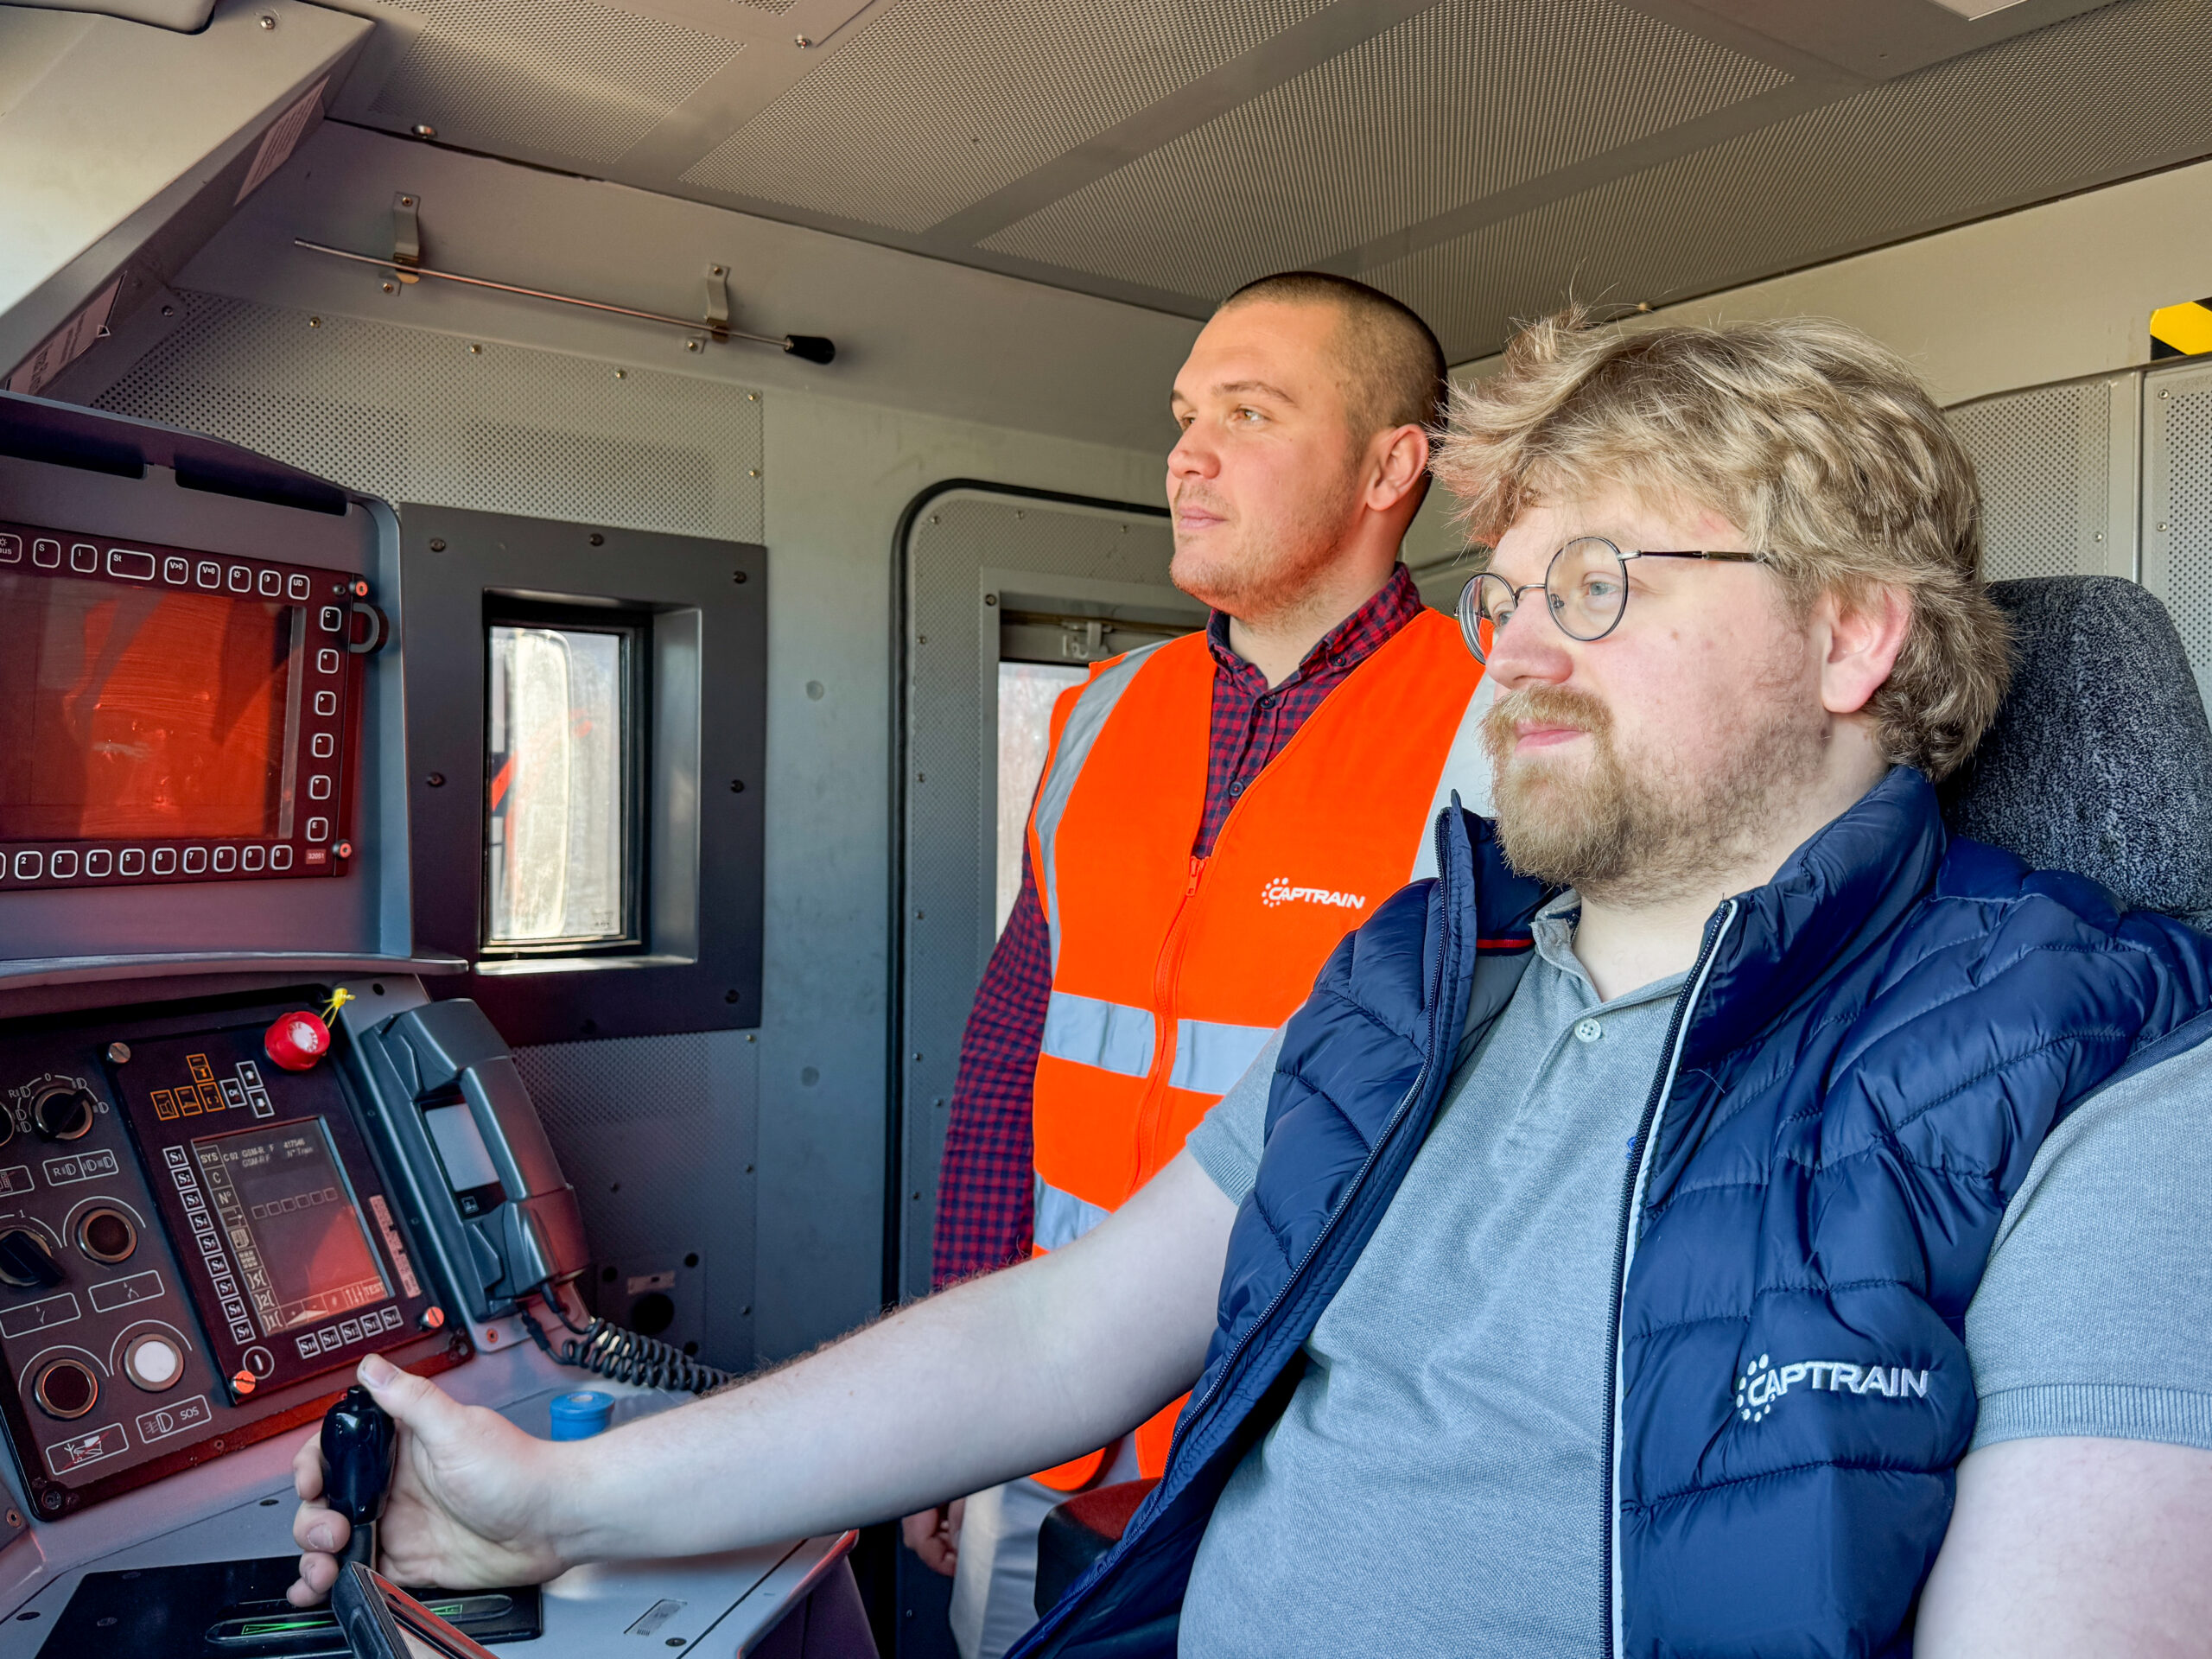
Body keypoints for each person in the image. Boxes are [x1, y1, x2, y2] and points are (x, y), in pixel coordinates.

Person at [289, 312, 2212, 1657]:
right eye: (1507, 593)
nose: (1514, 653)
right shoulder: (1422, 988)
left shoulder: (2100, 1079)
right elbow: (1063, 1335)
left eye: (1599, 587)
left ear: (1853, 635)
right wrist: (562, 1498)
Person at [912, 271, 1491, 1656]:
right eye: (1184, 416)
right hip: (1044, 1400)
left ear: (1390, 469)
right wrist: (952, 1378)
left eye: (1249, 412)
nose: (1186, 454)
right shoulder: (1102, 711)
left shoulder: (1494, 723)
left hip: (1296, 1426)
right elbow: (1010, 1057)